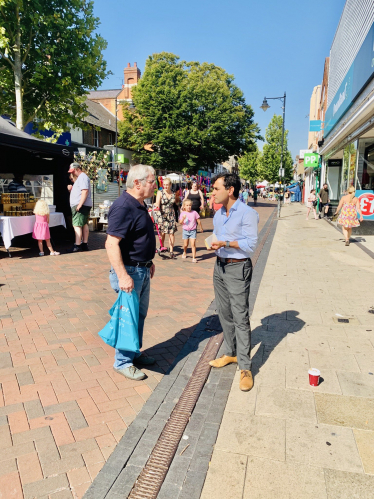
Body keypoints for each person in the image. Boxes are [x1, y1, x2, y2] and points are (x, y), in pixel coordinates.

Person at [105, 164, 157, 381]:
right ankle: (123, 361)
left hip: (141, 269)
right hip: (130, 272)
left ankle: (133, 351)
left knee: (139, 315)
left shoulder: (139, 204)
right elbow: (111, 243)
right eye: (153, 181)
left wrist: (148, 260)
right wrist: (123, 275)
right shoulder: (123, 206)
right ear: (138, 183)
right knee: (128, 317)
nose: (155, 185)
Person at [208, 173, 258, 392]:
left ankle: (245, 367)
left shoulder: (248, 213)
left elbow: (250, 245)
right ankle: (231, 353)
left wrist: (226, 242)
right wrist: (215, 245)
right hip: (219, 266)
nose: (213, 193)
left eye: (216, 188)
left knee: (240, 316)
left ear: (230, 190)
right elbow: (218, 237)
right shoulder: (218, 214)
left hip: (238, 268)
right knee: (223, 312)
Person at [67, 163, 92, 252]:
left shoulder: (82, 177)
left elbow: (85, 191)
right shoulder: (82, 178)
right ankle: (84, 244)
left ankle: (77, 245)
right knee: (83, 223)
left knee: (77, 224)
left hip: (81, 205)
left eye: (73, 171)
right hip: (82, 204)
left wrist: (80, 204)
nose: (72, 174)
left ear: (77, 169)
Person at [155, 177, 178, 258]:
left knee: (171, 233)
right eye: (164, 185)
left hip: (171, 214)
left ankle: (171, 251)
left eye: (167, 185)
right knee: (163, 232)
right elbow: (157, 202)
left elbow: (176, 204)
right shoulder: (160, 192)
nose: (165, 186)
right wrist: (156, 207)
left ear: (170, 185)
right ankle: (162, 247)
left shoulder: (173, 193)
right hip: (162, 214)